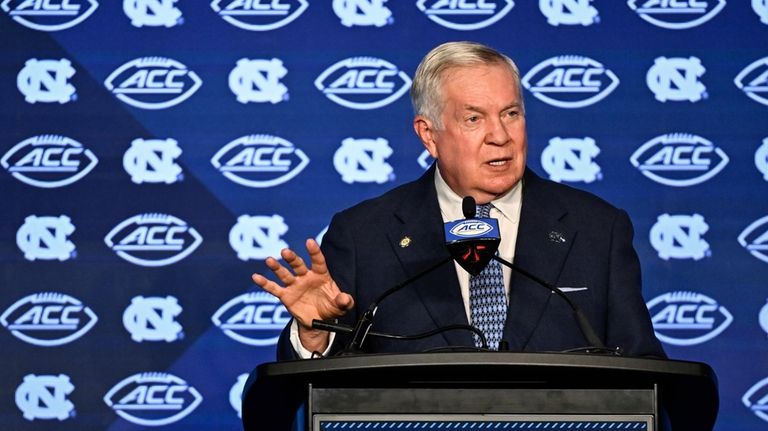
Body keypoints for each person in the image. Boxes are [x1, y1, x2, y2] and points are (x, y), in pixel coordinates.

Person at [252, 41, 665, 360]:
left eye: (511, 113)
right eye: (474, 118)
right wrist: (315, 334)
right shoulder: (364, 235)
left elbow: (644, 371)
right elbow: (313, 393)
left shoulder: (596, 228)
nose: (500, 135)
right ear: (428, 135)